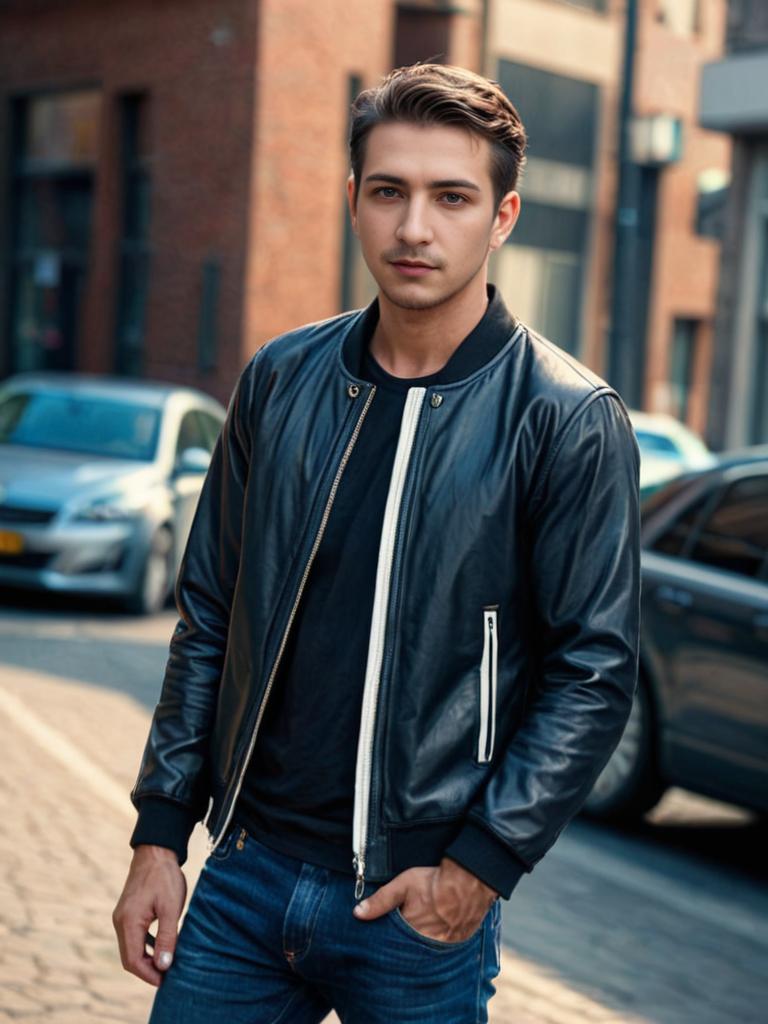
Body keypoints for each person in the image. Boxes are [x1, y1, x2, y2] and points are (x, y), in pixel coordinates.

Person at [113, 62, 641, 1023]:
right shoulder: (283, 378)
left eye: (452, 197)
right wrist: (160, 834)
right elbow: (209, 612)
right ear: (354, 200)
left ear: (504, 215)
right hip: (244, 877)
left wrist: (481, 865)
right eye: (389, 192)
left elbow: (592, 671)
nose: (414, 228)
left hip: (417, 909)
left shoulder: (565, 419)